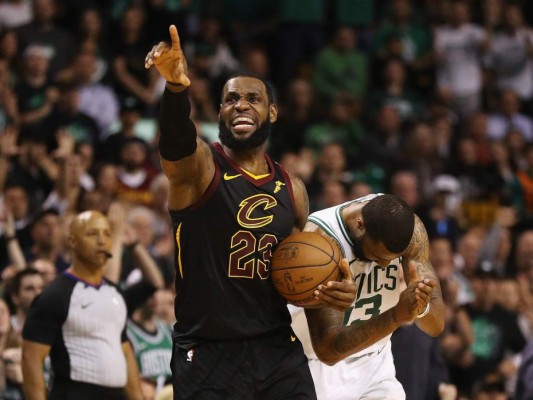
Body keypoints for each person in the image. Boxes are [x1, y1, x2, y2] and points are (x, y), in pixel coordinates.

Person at [144, 25, 356, 399]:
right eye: (231, 99)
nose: (240, 104)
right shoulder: (201, 166)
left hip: (274, 347)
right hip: (208, 350)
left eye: (253, 99)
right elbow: (175, 142)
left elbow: (294, 273)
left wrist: (329, 292)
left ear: (272, 112)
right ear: (221, 111)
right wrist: (177, 89)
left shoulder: (293, 189)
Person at [290, 193, 445, 399]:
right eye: (379, 256)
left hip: (377, 359)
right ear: (360, 225)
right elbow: (327, 350)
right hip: (320, 368)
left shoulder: (410, 230)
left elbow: (436, 325)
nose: (383, 265)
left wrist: (420, 305)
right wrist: (396, 316)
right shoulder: (319, 242)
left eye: (393, 259)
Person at [21, 211, 143, 400]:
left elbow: (125, 352)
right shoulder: (55, 295)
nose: (102, 241)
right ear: (72, 241)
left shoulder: (115, 294)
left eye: (107, 233)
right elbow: (31, 359)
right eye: (92, 234)